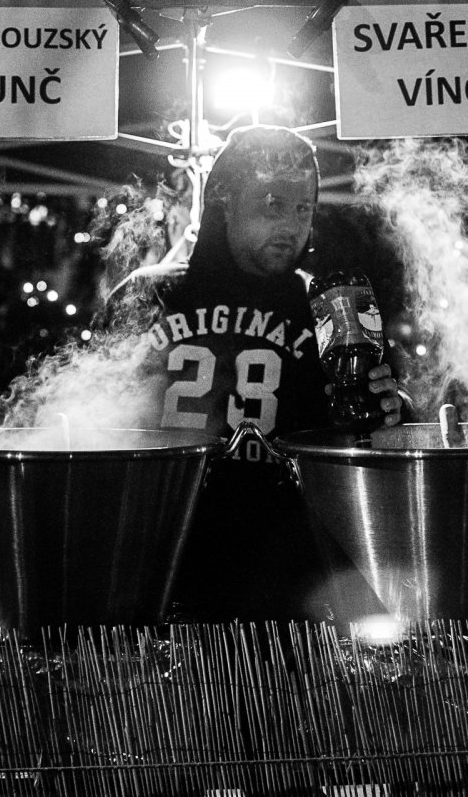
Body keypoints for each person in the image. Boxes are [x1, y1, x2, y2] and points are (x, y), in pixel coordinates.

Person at [116, 125, 405, 623]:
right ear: (223, 201)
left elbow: (365, 430)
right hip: (161, 564)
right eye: (273, 205)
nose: (291, 226)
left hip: (287, 579)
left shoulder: (324, 305)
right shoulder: (150, 294)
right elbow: (95, 420)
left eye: (304, 209)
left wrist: (388, 408)